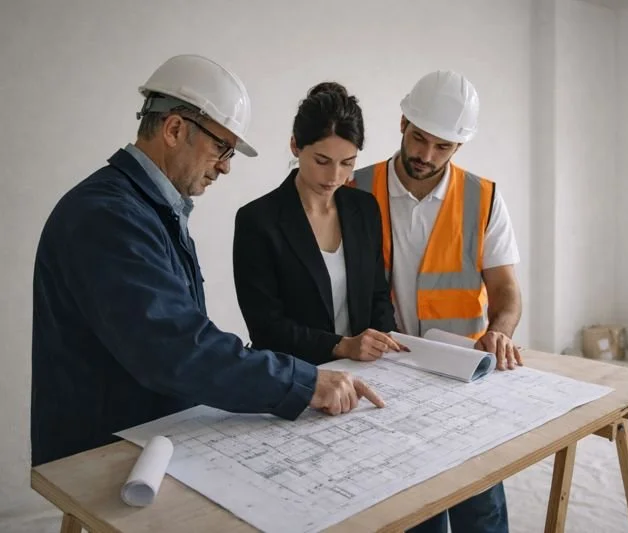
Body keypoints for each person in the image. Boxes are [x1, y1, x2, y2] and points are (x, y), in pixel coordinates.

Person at [30, 55, 383, 467]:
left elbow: (188, 335)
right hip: (104, 445)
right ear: (175, 129)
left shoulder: (155, 210)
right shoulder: (107, 215)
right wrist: (305, 382)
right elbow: (176, 349)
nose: (227, 167)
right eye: (221, 147)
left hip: (153, 435)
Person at [350, 70, 522, 533]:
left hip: (465, 374)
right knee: (411, 513)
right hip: (386, 375)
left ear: (459, 146)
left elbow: (507, 293)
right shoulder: (353, 189)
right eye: (420, 138)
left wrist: (499, 331)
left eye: (442, 146)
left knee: (479, 510)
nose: (426, 155)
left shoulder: (483, 198)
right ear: (402, 121)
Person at [232, 82, 405, 366]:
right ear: (295, 146)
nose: (335, 176)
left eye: (348, 163)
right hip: (295, 377)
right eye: (322, 161)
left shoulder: (364, 209)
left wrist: (386, 349)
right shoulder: (258, 220)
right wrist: (342, 346)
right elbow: (266, 327)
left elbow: (378, 296)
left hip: (367, 371)